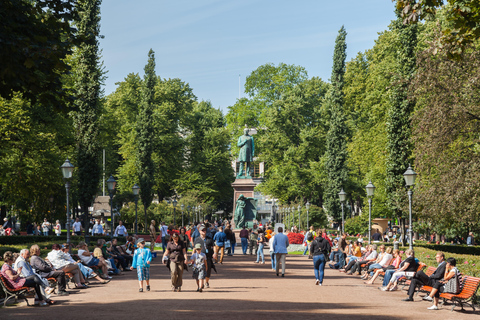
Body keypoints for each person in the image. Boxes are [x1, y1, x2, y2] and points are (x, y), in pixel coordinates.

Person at [193, 224, 216, 288]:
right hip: (199, 258)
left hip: (208, 257)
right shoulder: (197, 240)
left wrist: (215, 253)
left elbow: (214, 246)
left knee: (208, 271)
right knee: (200, 271)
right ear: (199, 231)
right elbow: (194, 249)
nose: (204, 231)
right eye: (202, 230)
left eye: (204, 230)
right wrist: (193, 257)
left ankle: (207, 282)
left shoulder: (209, 239)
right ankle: (201, 283)